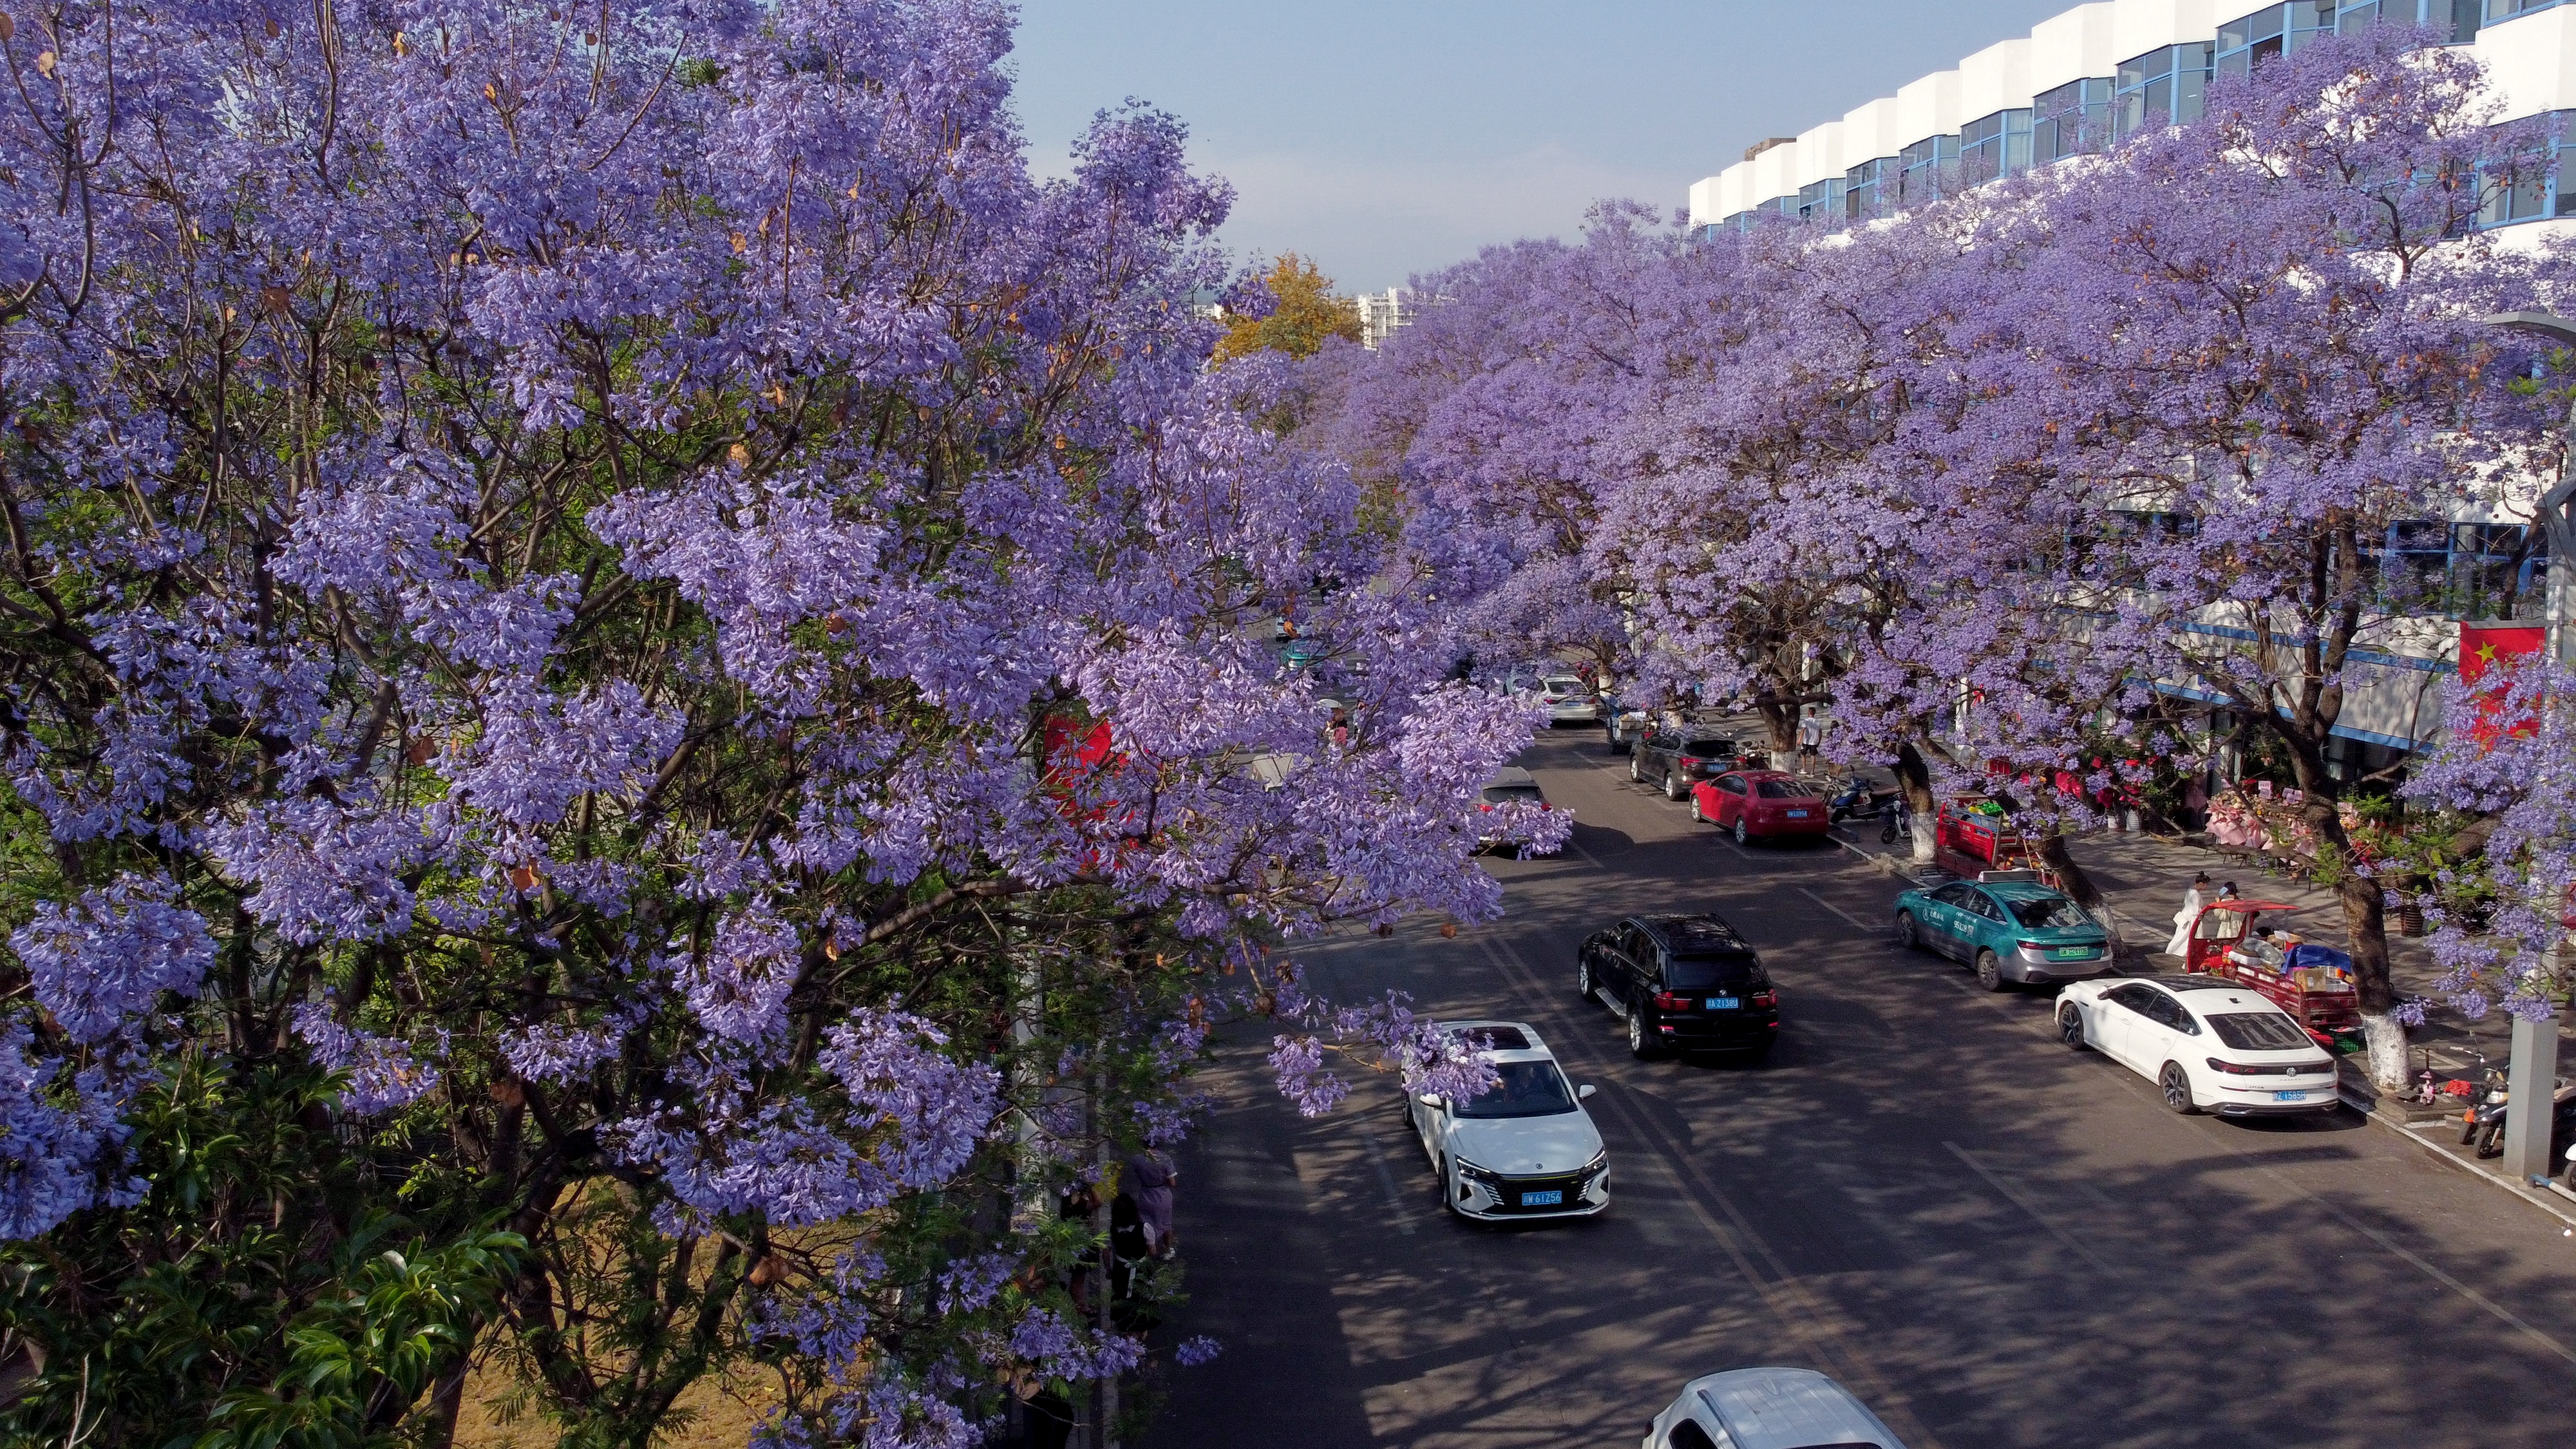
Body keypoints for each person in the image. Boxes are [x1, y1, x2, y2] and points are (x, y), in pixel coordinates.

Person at [2164, 872, 2211, 958]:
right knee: (2192, 936)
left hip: (2186, 915)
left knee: (2182, 935)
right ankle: (2189, 952)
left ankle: (2179, 950)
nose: (2206, 887)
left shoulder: (2190, 890)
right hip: (2192, 918)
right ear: (2201, 884)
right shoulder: (2196, 894)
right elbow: (2196, 910)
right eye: (2205, 885)